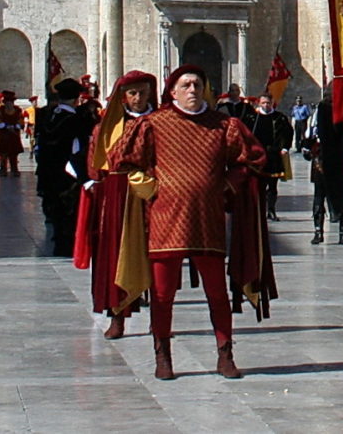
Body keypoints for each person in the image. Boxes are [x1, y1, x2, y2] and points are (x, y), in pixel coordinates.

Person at [108, 64, 273, 380]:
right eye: (185, 85)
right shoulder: (154, 125)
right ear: (172, 92)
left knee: (216, 292)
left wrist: (225, 186)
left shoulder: (223, 125)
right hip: (165, 221)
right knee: (162, 293)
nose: (193, 90)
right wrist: (151, 189)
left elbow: (249, 160)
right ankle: (163, 357)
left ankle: (225, 355)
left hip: (206, 220)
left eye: (197, 84)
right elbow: (124, 161)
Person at [77, 70, 158, 337]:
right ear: (123, 97)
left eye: (142, 92)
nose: (137, 98)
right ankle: (117, 315)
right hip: (118, 199)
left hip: (153, 196)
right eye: (132, 93)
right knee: (115, 257)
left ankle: (159, 319)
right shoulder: (108, 128)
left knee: (157, 257)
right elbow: (95, 167)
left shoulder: (160, 124)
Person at [36, 79, 93, 257]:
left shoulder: (46, 115)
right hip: (67, 174)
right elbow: (78, 149)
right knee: (68, 211)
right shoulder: (76, 120)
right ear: (77, 99)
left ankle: (57, 239)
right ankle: (66, 244)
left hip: (47, 171)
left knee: (53, 209)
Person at [302, 90, 343, 246]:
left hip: (336, 159)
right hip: (325, 159)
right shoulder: (323, 111)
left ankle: (337, 234)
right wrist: (307, 147)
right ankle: (324, 233)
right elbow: (311, 134)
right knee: (321, 196)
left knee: (331, 196)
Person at [248, 94, 293, 221]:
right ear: (259, 103)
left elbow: (288, 133)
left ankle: (271, 210)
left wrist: (285, 147)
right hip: (258, 157)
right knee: (259, 186)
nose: (266, 105)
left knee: (273, 186)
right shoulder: (253, 118)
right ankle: (259, 210)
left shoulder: (279, 118)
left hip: (274, 156)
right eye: (263, 103)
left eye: (268, 103)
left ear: (272, 103)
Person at [0, 91, 26, 175]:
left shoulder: (18, 110)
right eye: (7, 101)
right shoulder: (0, 110)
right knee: (3, 153)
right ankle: (3, 169)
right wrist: (3, 125)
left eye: (11, 101)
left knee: (13, 153)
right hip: (4, 134)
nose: (9, 103)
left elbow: (21, 121)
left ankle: (14, 169)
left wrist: (16, 126)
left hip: (14, 135)